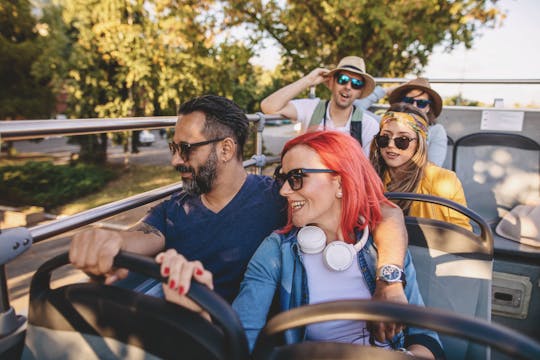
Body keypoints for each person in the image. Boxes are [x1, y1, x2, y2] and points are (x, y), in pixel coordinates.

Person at [69, 95, 409, 314]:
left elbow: (387, 212)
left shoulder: (283, 195)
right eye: (174, 148)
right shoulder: (173, 210)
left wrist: (389, 280)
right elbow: (141, 236)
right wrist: (107, 242)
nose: (176, 160)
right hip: (186, 333)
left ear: (227, 149)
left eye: (186, 149)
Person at [157, 131, 444, 358]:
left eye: (296, 178)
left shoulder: (384, 247)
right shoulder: (277, 252)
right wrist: (200, 311)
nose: (282, 190)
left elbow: (425, 337)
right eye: (282, 178)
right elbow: (243, 339)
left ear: (342, 183)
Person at [370, 103, 471, 230]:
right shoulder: (369, 179)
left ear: (419, 143)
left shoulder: (445, 180)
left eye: (403, 140)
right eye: (384, 138)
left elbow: (462, 234)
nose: (390, 144)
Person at [260, 56, 380, 157]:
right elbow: (269, 107)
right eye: (343, 79)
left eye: (356, 84)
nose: (348, 87)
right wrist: (308, 80)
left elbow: (365, 170)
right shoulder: (311, 108)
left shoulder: (368, 125)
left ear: (360, 92)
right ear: (332, 82)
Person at [388, 78, 448, 167]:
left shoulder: (436, 131)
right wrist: (386, 90)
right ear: (401, 103)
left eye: (421, 103)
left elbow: (433, 167)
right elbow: (360, 109)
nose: (414, 106)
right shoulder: (387, 123)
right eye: (408, 101)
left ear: (428, 108)